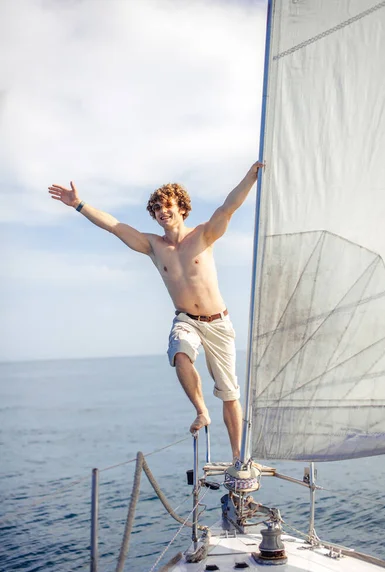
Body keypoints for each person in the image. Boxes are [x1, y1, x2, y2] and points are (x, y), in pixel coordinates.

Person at [48, 161, 263, 460]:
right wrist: (79, 204)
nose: (162, 211)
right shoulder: (152, 245)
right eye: (157, 208)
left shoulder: (203, 235)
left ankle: (239, 456)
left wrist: (251, 176)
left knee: (230, 394)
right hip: (186, 319)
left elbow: (229, 207)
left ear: (182, 208)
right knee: (179, 351)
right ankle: (202, 412)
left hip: (218, 323)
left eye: (168, 205)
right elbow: (113, 225)